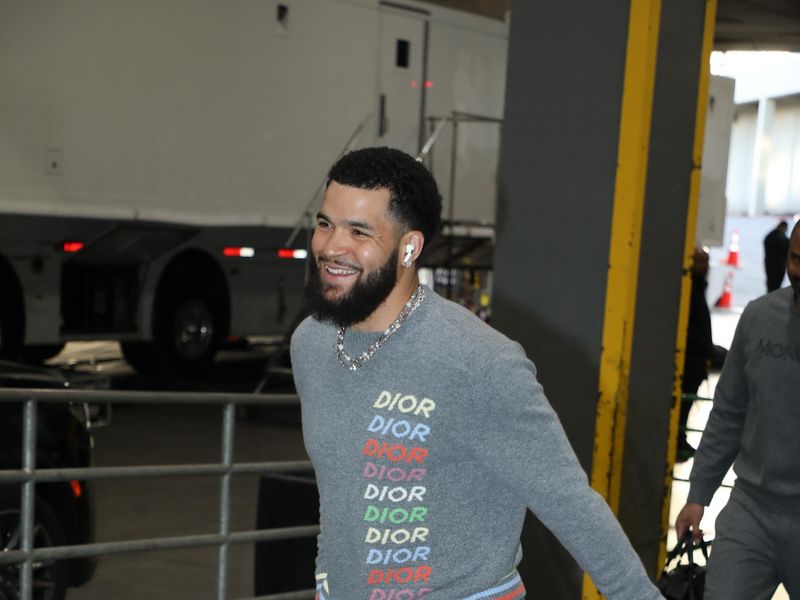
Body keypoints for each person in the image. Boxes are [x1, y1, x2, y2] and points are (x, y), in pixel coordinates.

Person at [291, 147, 661, 600]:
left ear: (410, 246)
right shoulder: (311, 343)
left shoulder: (478, 362)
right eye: (326, 223)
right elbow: (339, 495)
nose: (330, 247)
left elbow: (571, 505)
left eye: (359, 231)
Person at [675, 220, 800, 599]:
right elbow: (728, 412)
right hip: (752, 509)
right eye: (796, 258)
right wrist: (698, 495)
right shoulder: (759, 317)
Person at [678, 247, 714, 462]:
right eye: (703, 262)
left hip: (696, 361)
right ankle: (678, 439)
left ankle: (680, 438)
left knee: (686, 406)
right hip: (691, 362)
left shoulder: (696, 289)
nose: (707, 267)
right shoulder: (690, 290)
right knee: (683, 406)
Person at [763, 220, 789, 292]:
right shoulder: (784, 240)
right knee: (776, 286)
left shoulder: (769, 237)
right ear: (784, 228)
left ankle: (769, 299)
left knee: (770, 285)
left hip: (769, 265)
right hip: (779, 267)